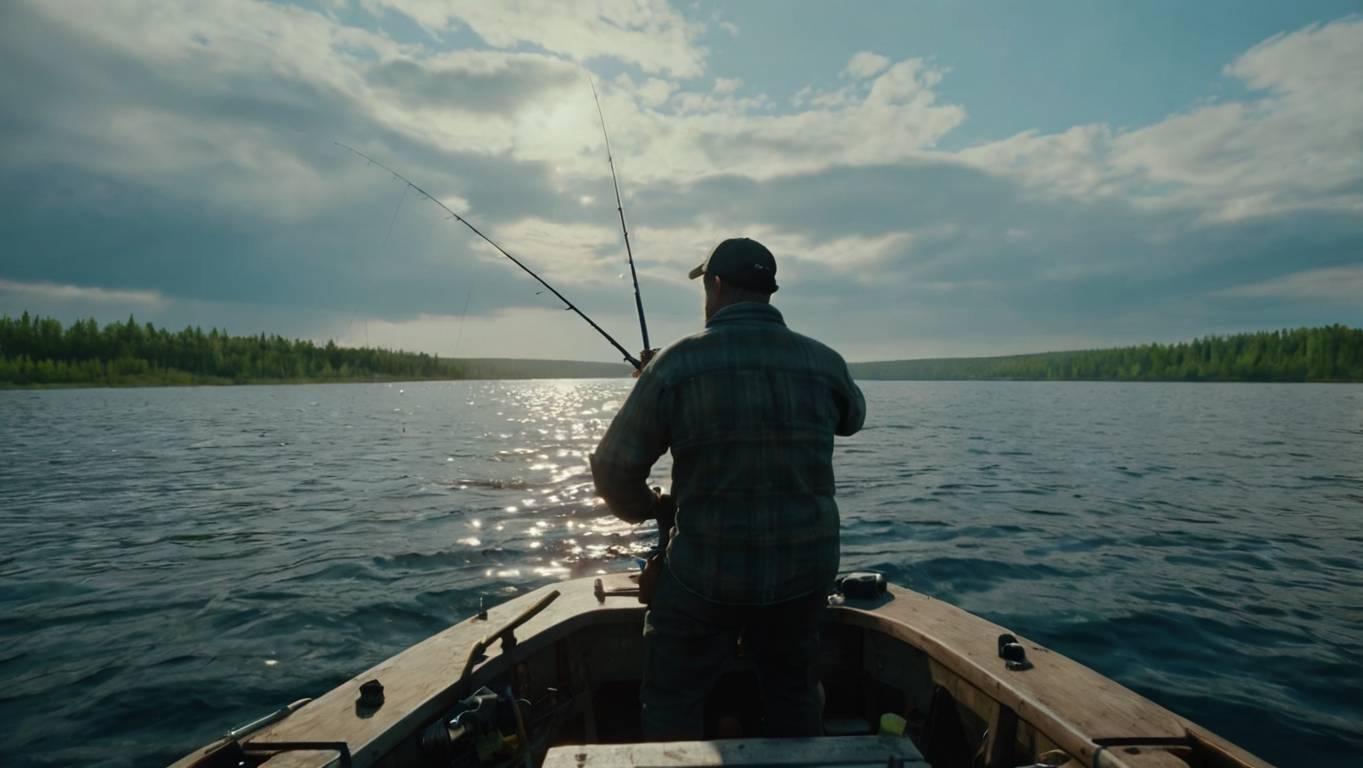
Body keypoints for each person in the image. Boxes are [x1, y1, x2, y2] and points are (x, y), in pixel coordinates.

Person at [590, 237, 866, 740]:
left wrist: (652, 507)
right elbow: (853, 418)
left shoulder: (674, 366)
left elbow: (611, 468)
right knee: (794, 692)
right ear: (769, 290)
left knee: (672, 697)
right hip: (803, 572)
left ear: (715, 286)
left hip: (705, 576)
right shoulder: (825, 362)